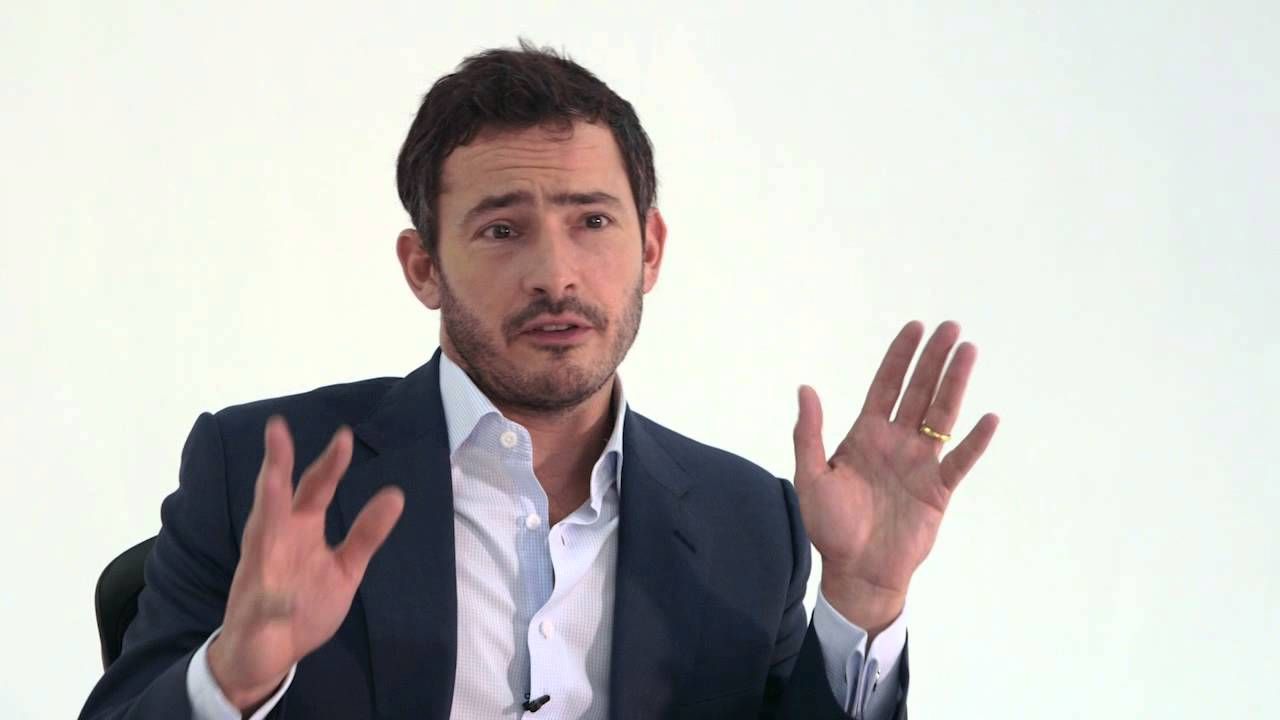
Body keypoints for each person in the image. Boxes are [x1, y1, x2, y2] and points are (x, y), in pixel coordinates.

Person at [80, 40, 997, 720]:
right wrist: (231, 682)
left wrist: (864, 601)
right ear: (423, 266)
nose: (556, 274)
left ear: (650, 249)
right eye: (501, 230)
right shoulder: (256, 472)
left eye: (592, 221)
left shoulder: (751, 521)